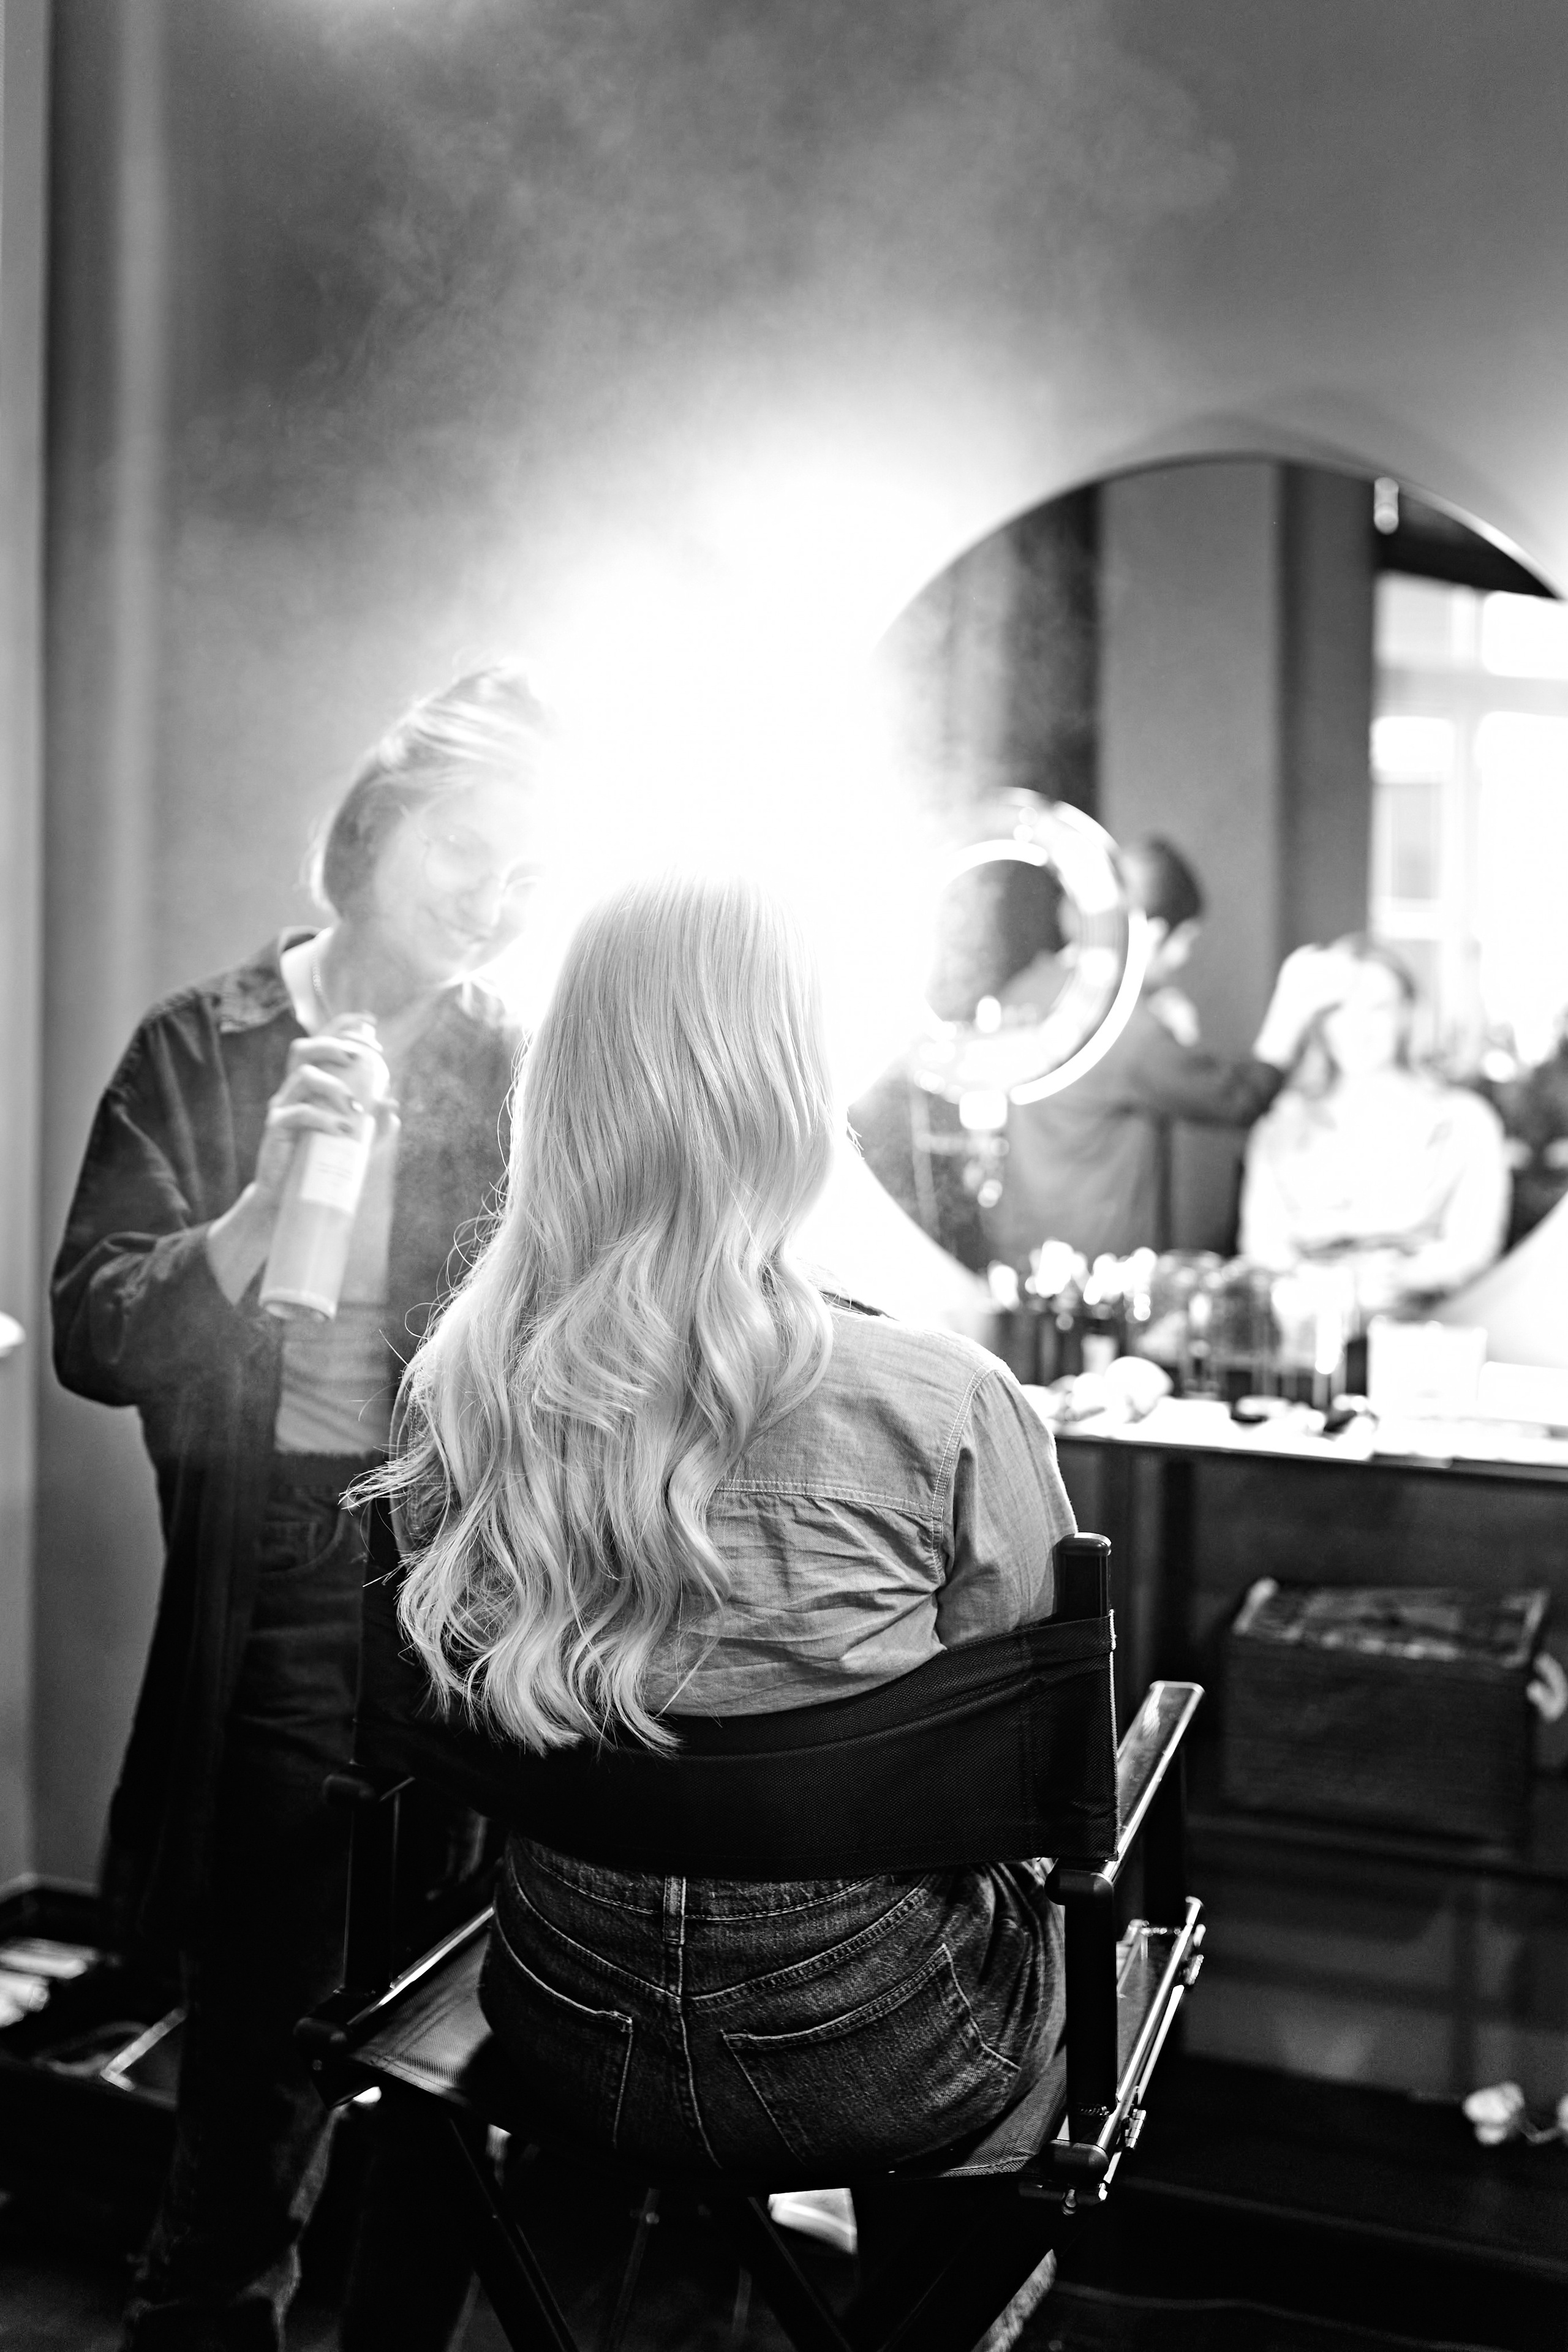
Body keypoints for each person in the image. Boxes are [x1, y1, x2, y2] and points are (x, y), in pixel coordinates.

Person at [369, 872, 1078, 2176]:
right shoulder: (947, 1404)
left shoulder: (465, 1386)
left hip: (566, 2017)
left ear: (564, 1093)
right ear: (790, 1094)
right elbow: (1020, 1747)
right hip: (877, 2051)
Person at [51, 666, 549, 2351]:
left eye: (526, 874)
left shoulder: (510, 1065)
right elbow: (93, 1334)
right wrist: (261, 1207)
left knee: (451, 2051)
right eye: (472, 853)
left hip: (459, 1584)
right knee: (261, 2039)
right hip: (280, 1572)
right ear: (375, 829)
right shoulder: (205, 1046)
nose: (496, 901)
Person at [983, 835, 1337, 1266]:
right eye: (1185, 940)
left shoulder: (1020, 992)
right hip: (1097, 1283)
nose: (1183, 959)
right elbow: (1239, 1099)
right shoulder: (1126, 1031)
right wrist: (1291, 1012)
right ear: (1149, 933)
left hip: (1017, 1258)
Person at [1239, 935, 1509, 1313]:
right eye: (1339, 1009)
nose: (1356, 1028)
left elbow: (1473, 1248)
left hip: (1425, 1332)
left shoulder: (1466, 1121)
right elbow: (1263, 1246)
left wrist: (1406, 1278)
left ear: (1408, 1014)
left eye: (1378, 1009)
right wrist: (1318, 1288)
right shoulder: (1281, 1121)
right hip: (1305, 1331)